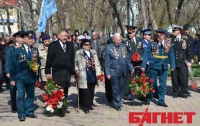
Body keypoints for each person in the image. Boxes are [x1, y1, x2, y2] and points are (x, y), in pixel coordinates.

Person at [10, 31, 40, 121]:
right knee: (21, 96)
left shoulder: (35, 49)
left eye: (32, 38)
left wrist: (36, 65)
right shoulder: (17, 49)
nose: (31, 40)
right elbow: (13, 64)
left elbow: (38, 61)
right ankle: (22, 114)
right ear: (24, 39)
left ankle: (29, 112)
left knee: (31, 95)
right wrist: (12, 78)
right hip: (20, 77)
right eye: (29, 38)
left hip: (31, 77)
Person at [141, 29, 175, 107]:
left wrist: (172, 65)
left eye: (161, 36)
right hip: (154, 66)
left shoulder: (168, 43)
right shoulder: (152, 43)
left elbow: (171, 54)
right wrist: (143, 66)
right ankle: (149, 98)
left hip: (164, 67)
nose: (159, 37)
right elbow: (146, 54)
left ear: (164, 36)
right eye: (158, 36)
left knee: (163, 85)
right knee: (151, 83)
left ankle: (161, 101)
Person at [45, 30, 75, 117]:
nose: (65, 37)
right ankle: (57, 108)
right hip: (57, 71)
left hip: (67, 71)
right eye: (64, 36)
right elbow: (49, 59)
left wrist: (72, 71)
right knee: (58, 90)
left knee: (65, 90)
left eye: (66, 35)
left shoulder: (70, 45)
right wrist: (47, 72)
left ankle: (63, 107)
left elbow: (71, 59)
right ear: (59, 36)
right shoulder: (53, 45)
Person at [105, 33, 134, 111]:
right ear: (113, 40)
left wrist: (131, 67)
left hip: (123, 70)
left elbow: (127, 58)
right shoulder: (108, 48)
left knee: (122, 87)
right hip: (114, 71)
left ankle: (119, 99)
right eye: (117, 40)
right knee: (115, 88)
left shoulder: (123, 46)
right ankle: (117, 103)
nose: (119, 41)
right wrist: (107, 73)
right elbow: (107, 62)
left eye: (120, 40)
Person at [75, 39, 101, 114]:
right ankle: (85, 106)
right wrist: (76, 70)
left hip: (92, 73)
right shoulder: (78, 53)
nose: (88, 46)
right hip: (84, 74)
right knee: (85, 91)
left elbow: (97, 63)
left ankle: (90, 104)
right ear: (83, 46)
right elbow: (75, 63)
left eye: (89, 44)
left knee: (91, 90)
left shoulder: (93, 52)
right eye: (86, 44)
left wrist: (98, 73)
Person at [171, 24, 194, 98]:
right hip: (174, 61)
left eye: (175, 30)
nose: (173, 32)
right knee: (175, 78)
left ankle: (183, 92)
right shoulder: (172, 40)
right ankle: (175, 92)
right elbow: (169, 52)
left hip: (183, 61)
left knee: (183, 78)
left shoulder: (185, 40)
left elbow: (189, 51)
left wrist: (190, 60)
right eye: (173, 30)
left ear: (179, 31)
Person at [5, 31, 24, 112]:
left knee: (22, 89)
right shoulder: (10, 47)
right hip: (13, 72)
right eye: (20, 37)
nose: (22, 39)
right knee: (13, 89)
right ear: (16, 39)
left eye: (23, 37)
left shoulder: (24, 47)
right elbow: (7, 60)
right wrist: (7, 71)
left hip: (22, 72)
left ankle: (22, 106)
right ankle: (13, 106)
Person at [123, 25, 142, 101]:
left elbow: (143, 50)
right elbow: (125, 53)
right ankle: (127, 94)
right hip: (130, 63)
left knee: (139, 78)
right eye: (128, 33)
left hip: (139, 62)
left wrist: (141, 57)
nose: (129, 34)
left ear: (134, 32)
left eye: (131, 33)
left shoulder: (139, 40)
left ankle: (140, 94)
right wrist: (132, 58)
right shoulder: (125, 41)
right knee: (129, 79)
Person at [100, 39, 113, 103]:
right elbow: (102, 61)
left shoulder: (113, 50)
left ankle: (113, 96)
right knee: (108, 84)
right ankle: (109, 97)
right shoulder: (104, 51)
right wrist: (106, 68)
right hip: (107, 69)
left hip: (113, 69)